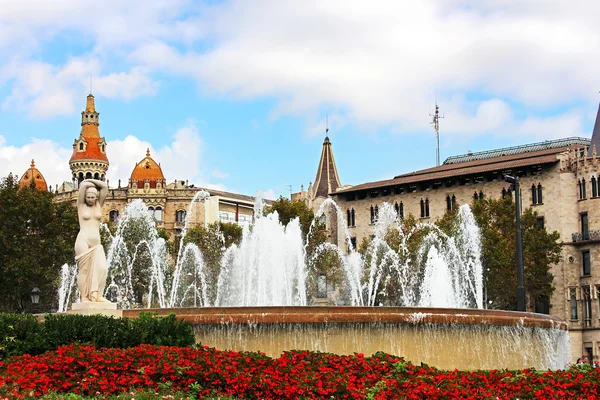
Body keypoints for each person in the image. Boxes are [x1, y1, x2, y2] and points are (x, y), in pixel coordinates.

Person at [75, 179, 111, 303]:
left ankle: (98, 295)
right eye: (88, 197)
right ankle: (84, 297)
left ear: (96, 197)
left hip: (97, 243)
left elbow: (104, 187)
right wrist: (87, 183)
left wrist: (91, 181)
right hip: (83, 240)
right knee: (84, 270)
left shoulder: (98, 205)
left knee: (102, 268)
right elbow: (82, 185)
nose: (90, 199)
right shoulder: (81, 205)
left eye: (92, 197)